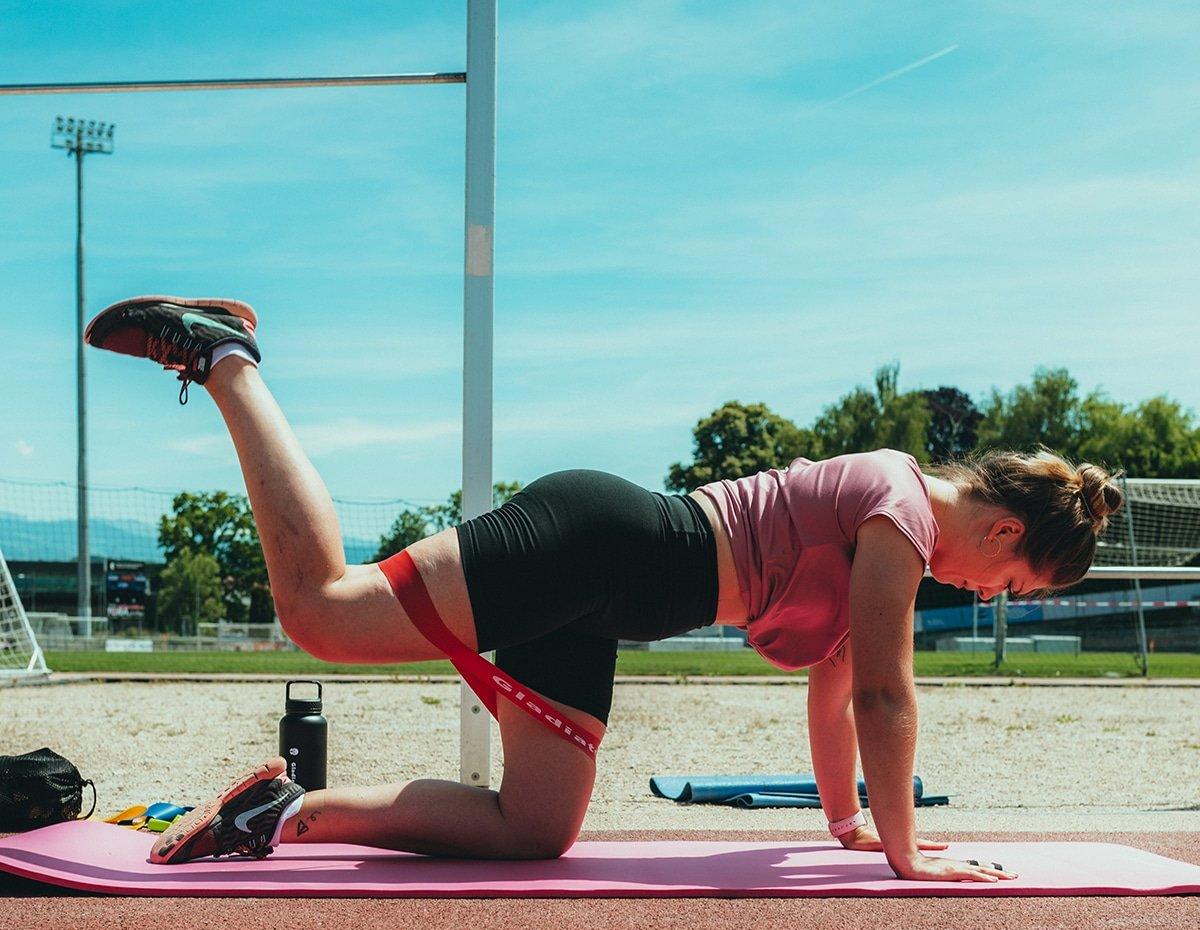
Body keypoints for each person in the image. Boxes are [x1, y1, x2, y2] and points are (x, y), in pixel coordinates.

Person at [84, 296, 1124, 882]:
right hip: (597, 543)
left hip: (604, 604)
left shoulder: (886, 538)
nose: (992, 597)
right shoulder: (897, 509)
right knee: (320, 612)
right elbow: (888, 699)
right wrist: (907, 859)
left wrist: (852, 828)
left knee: (534, 828)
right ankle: (226, 358)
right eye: (1012, 582)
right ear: (1001, 529)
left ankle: (280, 813)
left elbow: (836, 692)